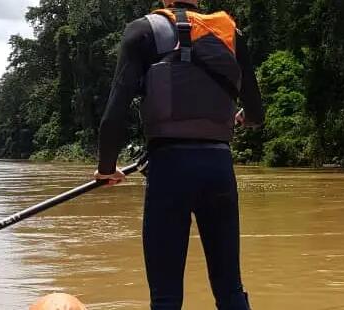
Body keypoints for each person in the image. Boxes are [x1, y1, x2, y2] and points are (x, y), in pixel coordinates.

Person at [92, 0, 264, 309]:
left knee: (166, 296)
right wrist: (243, 117)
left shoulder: (143, 31)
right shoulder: (232, 33)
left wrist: (107, 167)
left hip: (169, 167)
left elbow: (113, 115)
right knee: (230, 289)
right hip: (218, 167)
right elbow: (255, 111)